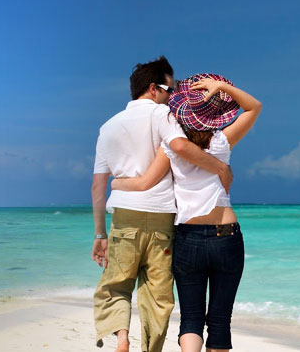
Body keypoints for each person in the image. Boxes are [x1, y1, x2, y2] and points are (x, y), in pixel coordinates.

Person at [91, 57, 234, 352]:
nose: (173, 97)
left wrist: (100, 234)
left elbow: (97, 186)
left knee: (117, 284)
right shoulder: (163, 115)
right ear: (153, 89)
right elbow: (180, 147)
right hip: (161, 216)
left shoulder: (107, 127)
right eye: (171, 90)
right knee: (157, 296)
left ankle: (121, 337)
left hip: (125, 216)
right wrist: (220, 167)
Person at [112, 73, 261, 352]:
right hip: (226, 236)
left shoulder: (171, 147)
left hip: (188, 238)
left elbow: (144, 183)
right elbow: (254, 107)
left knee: (191, 319)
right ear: (214, 115)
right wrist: (222, 87)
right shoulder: (221, 142)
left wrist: (117, 183)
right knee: (220, 321)